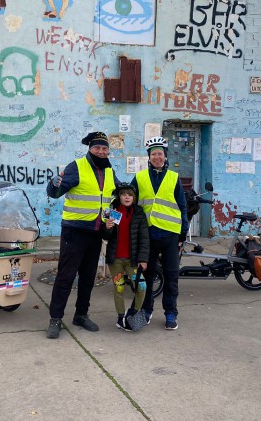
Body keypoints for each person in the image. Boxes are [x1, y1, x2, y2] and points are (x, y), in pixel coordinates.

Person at [45, 131, 119, 339]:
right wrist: (54, 184)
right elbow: (56, 192)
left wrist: (114, 220)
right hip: (74, 232)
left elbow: (114, 198)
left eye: (105, 148)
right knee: (65, 277)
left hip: (96, 233)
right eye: (97, 148)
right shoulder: (76, 166)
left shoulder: (110, 171)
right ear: (90, 149)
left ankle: (81, 315)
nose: (101, 152)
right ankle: (55, 318)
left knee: (88, 278)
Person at [131, 136, 188, 331]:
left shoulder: (174, 177)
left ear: (165, 157)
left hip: (170, 235)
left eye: (160, 154)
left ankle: (171, 312)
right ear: (149, 157)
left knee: (171, 276)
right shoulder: (139, 178)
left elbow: (182, 206)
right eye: (154, 154)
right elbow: (128, 201)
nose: (157, 157)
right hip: (148, 236)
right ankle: (146, 311)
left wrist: (183, 234)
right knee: (146, 276)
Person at [102, 183, 150, 331]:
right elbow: (105, 236)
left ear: (134, 197)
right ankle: (120, 317)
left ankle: (133, 313)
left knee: (141, 286)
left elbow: (144, 237)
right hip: (115, 259)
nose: (127, 197)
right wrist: (107, 228)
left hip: (132, 260)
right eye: (123, 194)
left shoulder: (139, 212)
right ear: (119, 196)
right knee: (119, 288)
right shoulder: (112, 211)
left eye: (130, 194)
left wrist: (143, 259)